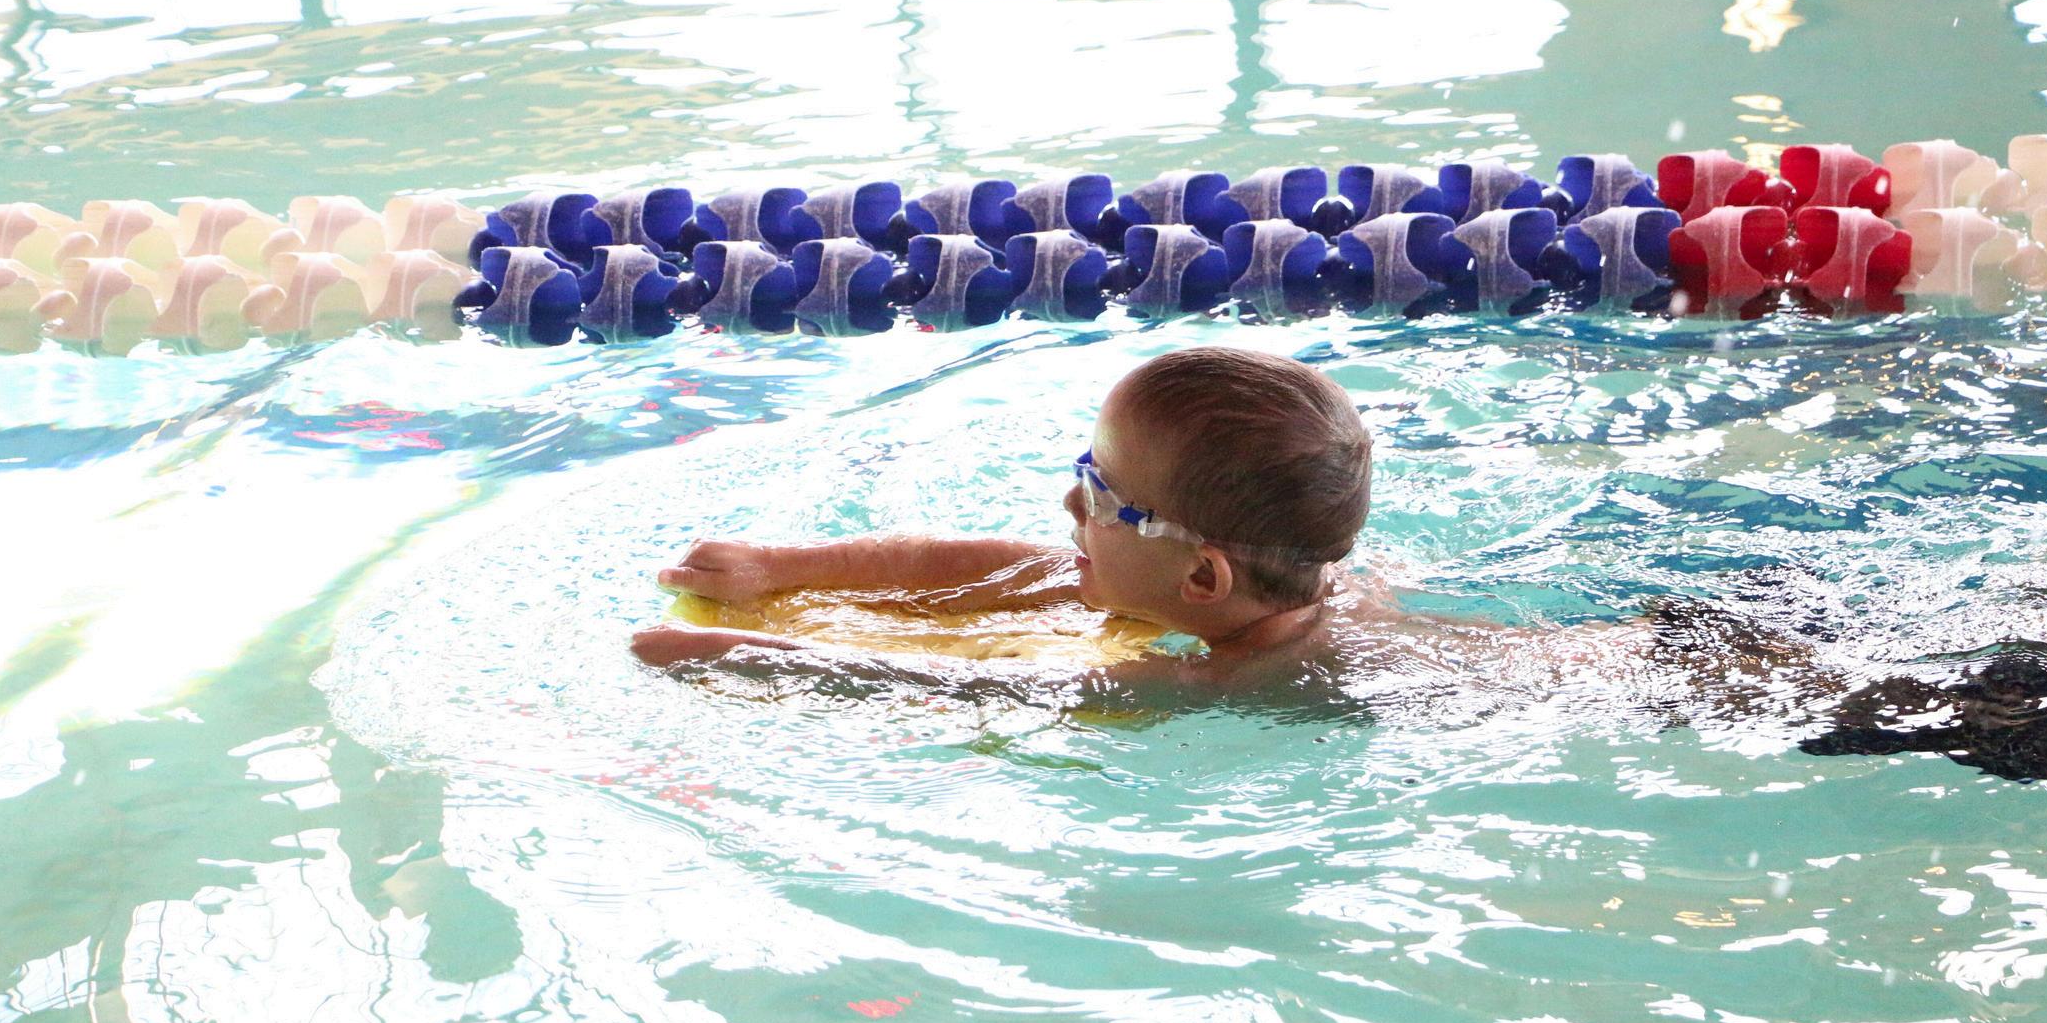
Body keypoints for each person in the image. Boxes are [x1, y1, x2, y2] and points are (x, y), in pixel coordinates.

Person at [628, 345, 1651, 703]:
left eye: (1100, 495)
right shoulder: (1215, 583)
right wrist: (782, 565)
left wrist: (744, 654)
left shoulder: (1239, 671)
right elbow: (995, 565)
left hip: (1653, 683)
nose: (1068, 506)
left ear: (1201, 579)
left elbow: (973, 687)